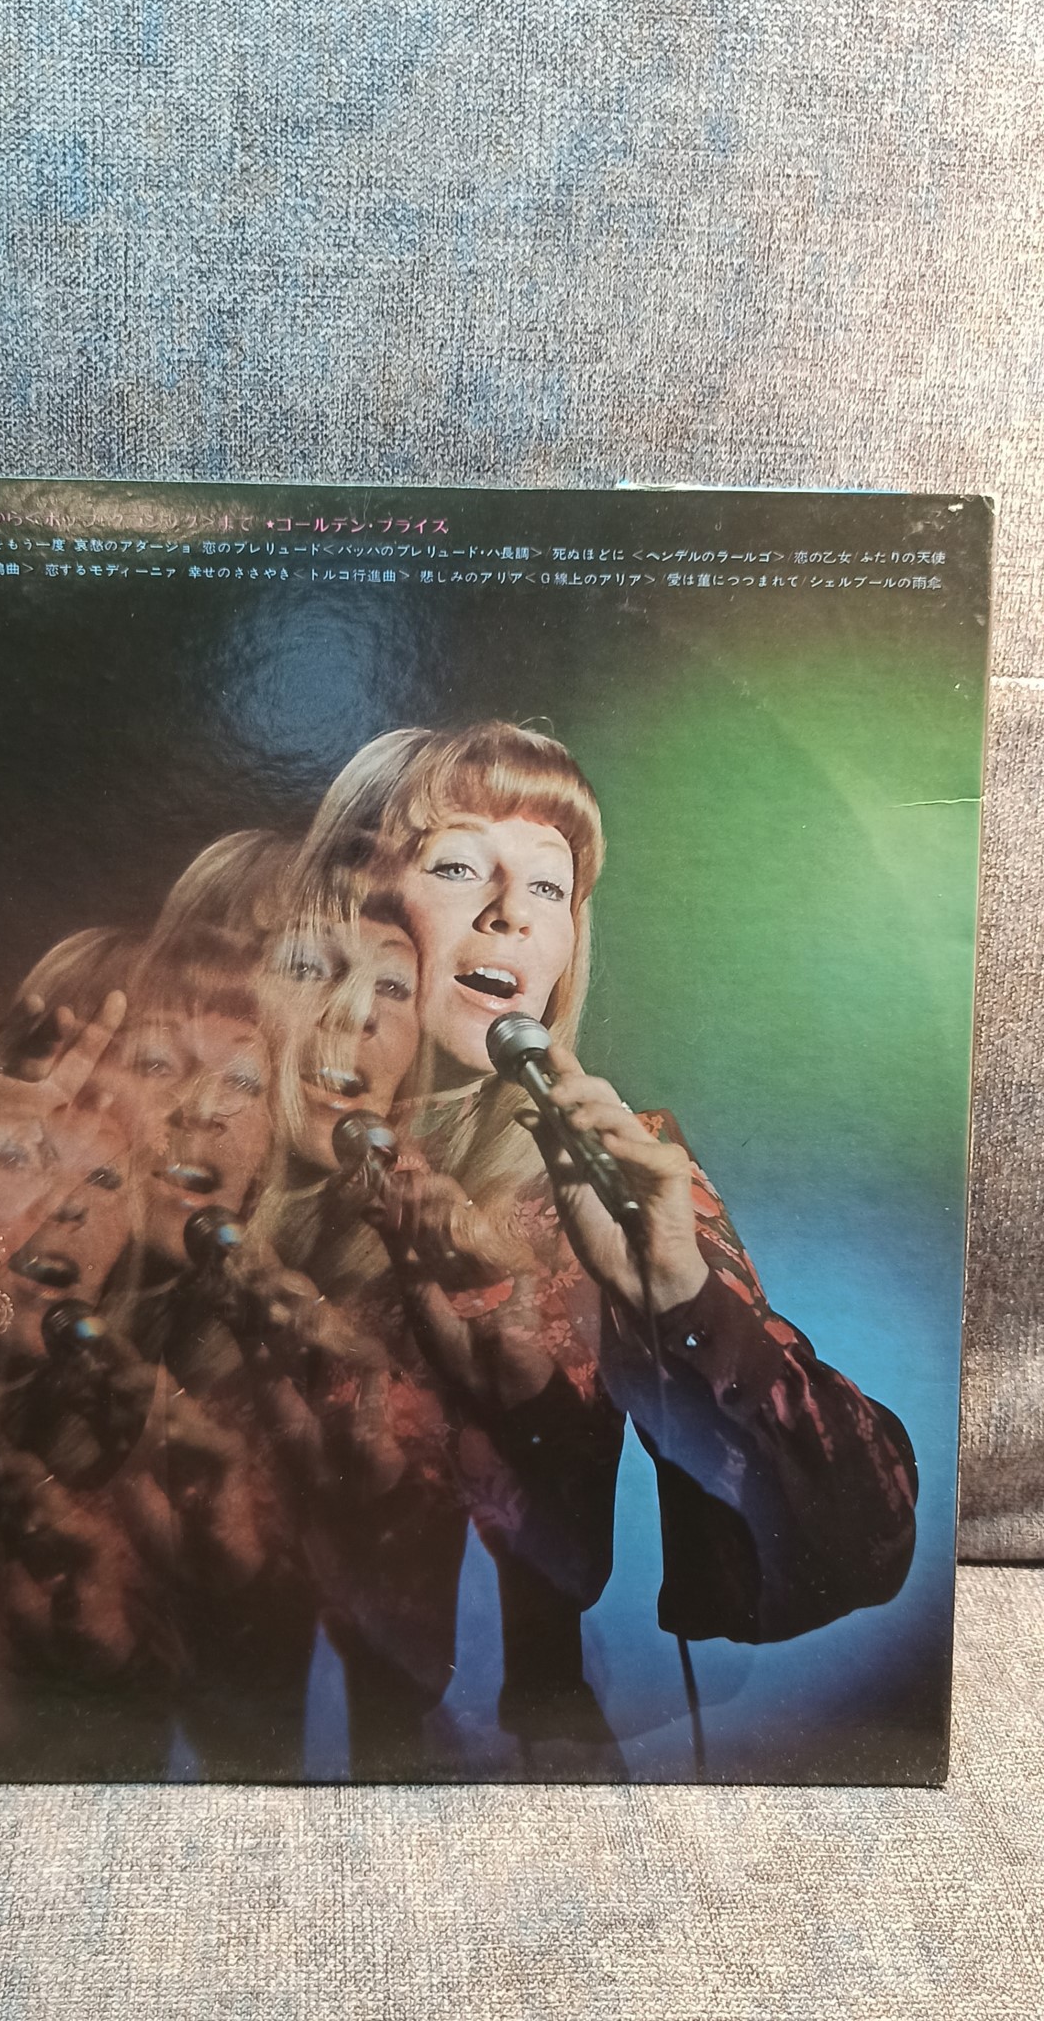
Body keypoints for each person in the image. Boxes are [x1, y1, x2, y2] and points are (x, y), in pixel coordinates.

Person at [294, 721, 919, 1751]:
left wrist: (677, 1293)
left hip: (517, 1770)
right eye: (459, 866)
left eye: (549, 885)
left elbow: (862, 1542)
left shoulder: (603, 1173)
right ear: (350, 907)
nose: (511, 913)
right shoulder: (255, 1161)